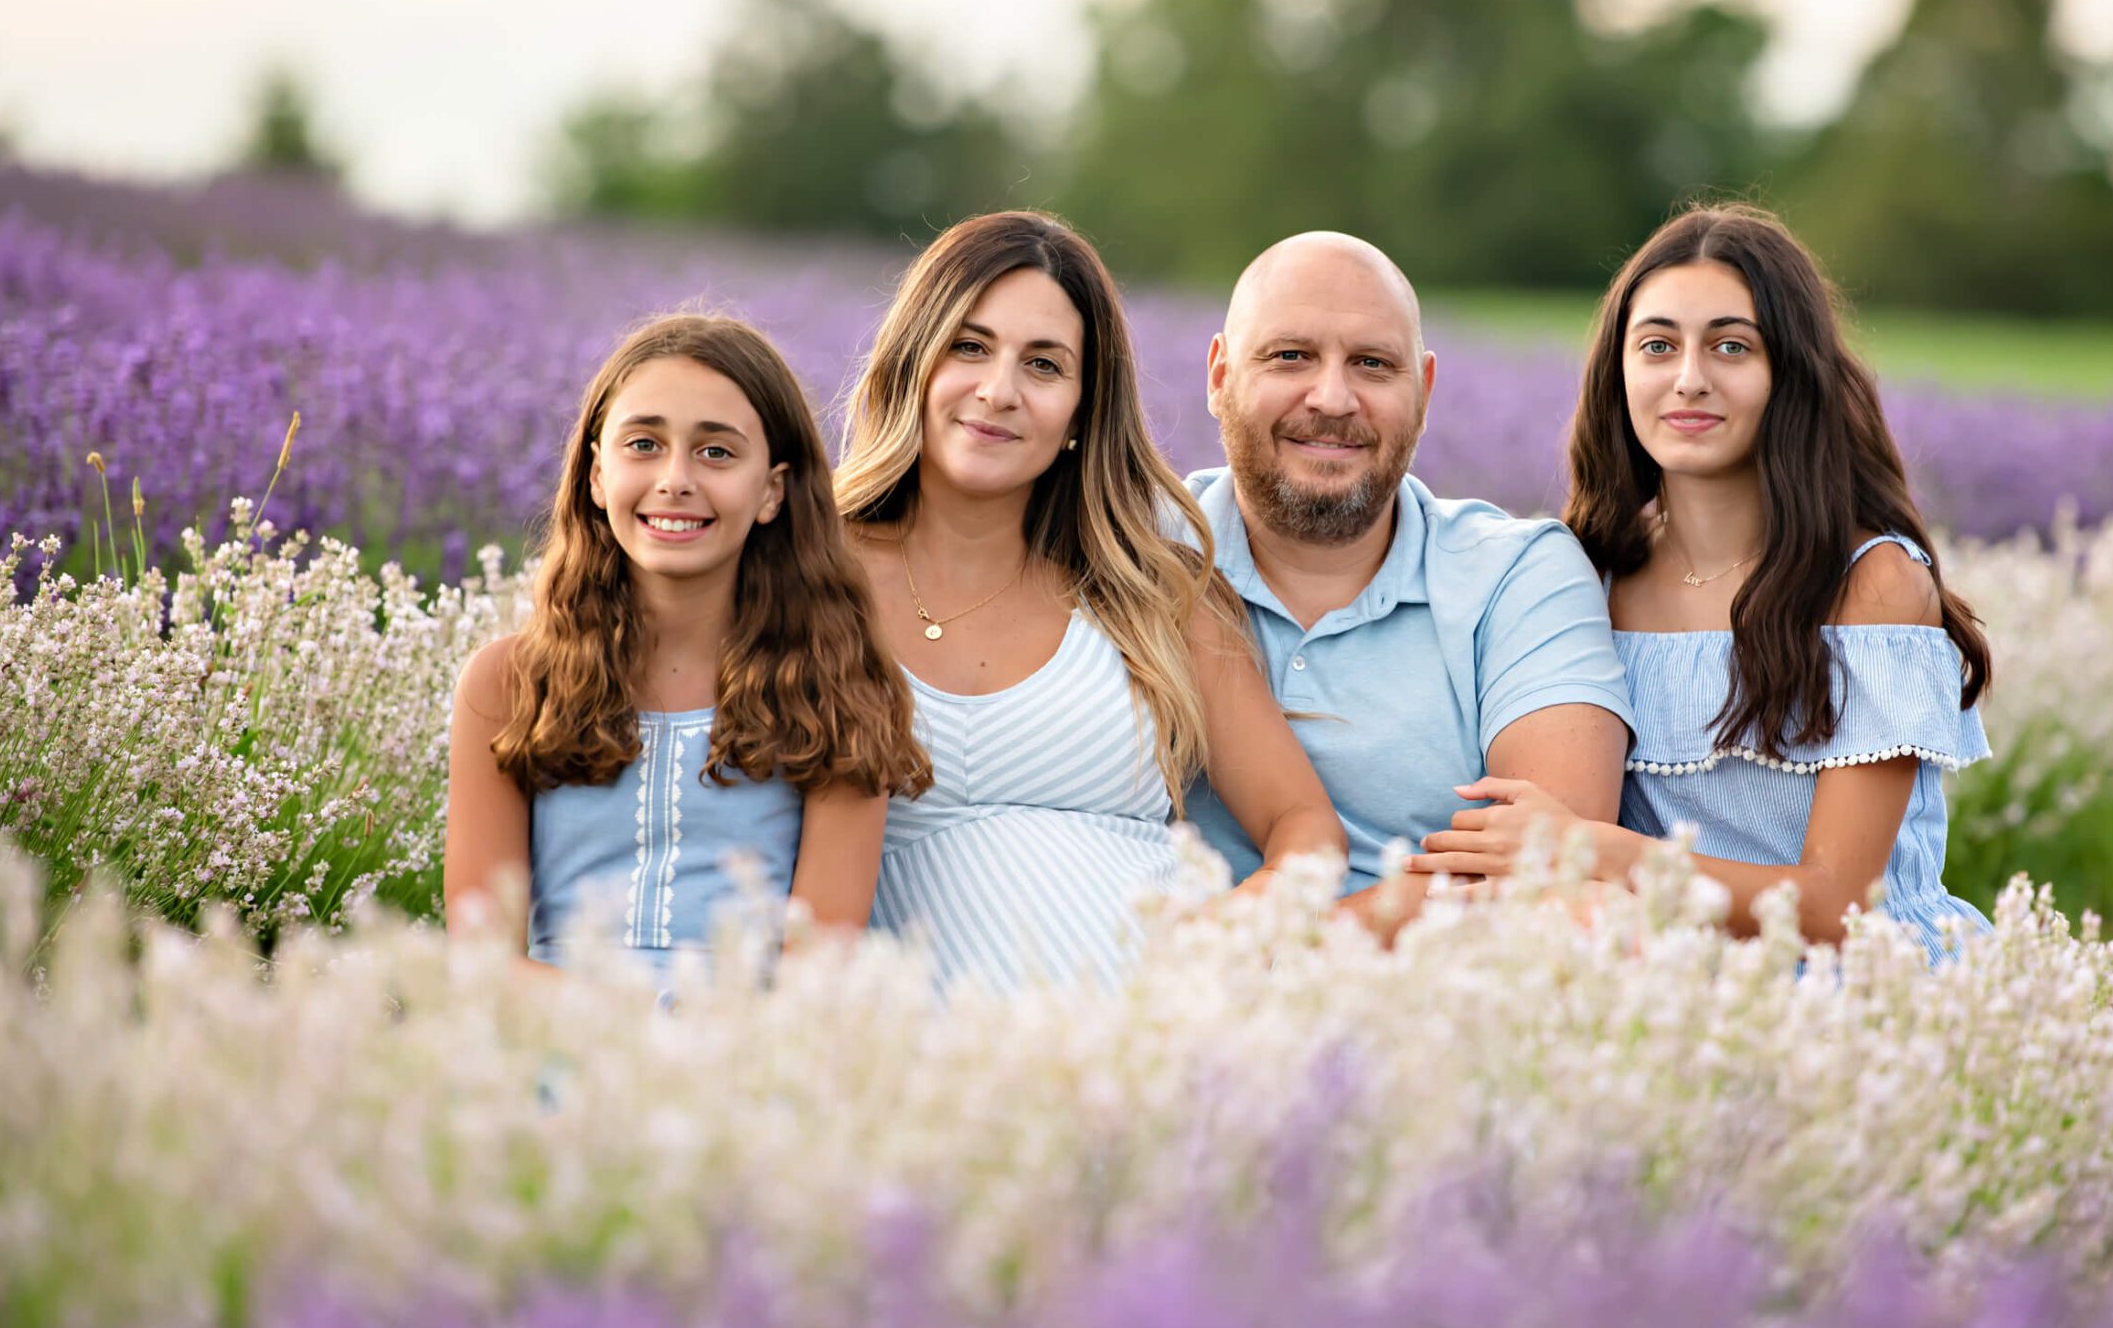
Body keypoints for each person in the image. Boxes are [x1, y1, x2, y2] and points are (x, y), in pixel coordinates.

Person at [1410, 205, 1993, 962]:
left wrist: (1593, 849)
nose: (1689, 379)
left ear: (1791, 373)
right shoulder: (1592, 576)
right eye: (1657, 345)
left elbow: (1834, 904)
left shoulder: (1870, 583)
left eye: (1730, 346)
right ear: (1619, 373)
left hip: (1857, 986)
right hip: (1671, 972)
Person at [835, 211, 1343, 992]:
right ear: (911, 362)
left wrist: (1228, 944)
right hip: (917, 1067)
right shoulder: (805, 575)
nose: (997, 390)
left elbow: (1305, 828)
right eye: (969, 346)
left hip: (1158, 1040)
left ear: (1081, 408)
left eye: (1044, 366)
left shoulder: (1150, 593)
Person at [444, 312, 928, 976]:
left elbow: (816, 975)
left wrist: (694, 1056)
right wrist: (634, 1036)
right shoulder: (508, 683)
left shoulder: (836, 688)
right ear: (594, 474)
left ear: (772, 491)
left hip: (750, 1059)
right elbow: (480, 961)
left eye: (717, 452)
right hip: (550, 1047)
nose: (675, 478)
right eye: (643, 444)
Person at [1182, 231, 1635, 939]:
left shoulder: (1516, 573)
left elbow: (1551, 865)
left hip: (1435, 996)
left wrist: (1279, 962)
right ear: (1219, 375)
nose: (1332, 397)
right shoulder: (1140, 550)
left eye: (1372, 364)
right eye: (1290, 356)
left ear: (1423, 392)